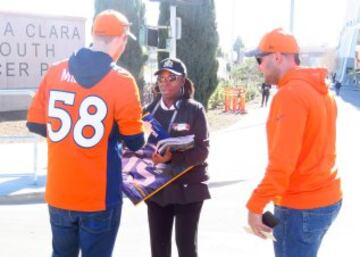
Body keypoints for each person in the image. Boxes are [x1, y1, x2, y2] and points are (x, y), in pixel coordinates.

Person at [26, 9, 145, 257]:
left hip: (59, 191)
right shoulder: (122, 80)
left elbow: (36, 124)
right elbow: (135, 140)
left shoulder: (55, 71)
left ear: (92, 34)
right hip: (98, 196)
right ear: (122, 40)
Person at [245, 28, 342, 257]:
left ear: (277, 57)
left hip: (302, 207)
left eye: (261, 59)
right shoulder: (321, 91)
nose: (259, 66)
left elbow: (282, 164)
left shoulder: (290, 95)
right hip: (327, 198)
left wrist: (255, 205)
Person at [144, 58, 210, 257]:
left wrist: (172, 159)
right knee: (159, 248)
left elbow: (202, 151)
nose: (165, 82)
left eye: (171, 78)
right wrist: (149, 157)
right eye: (161, 78)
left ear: (183, 81)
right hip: (158, 188)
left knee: (186, 246)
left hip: (188, 189)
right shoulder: (148, 111)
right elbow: (139, 146)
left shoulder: (195, 110)